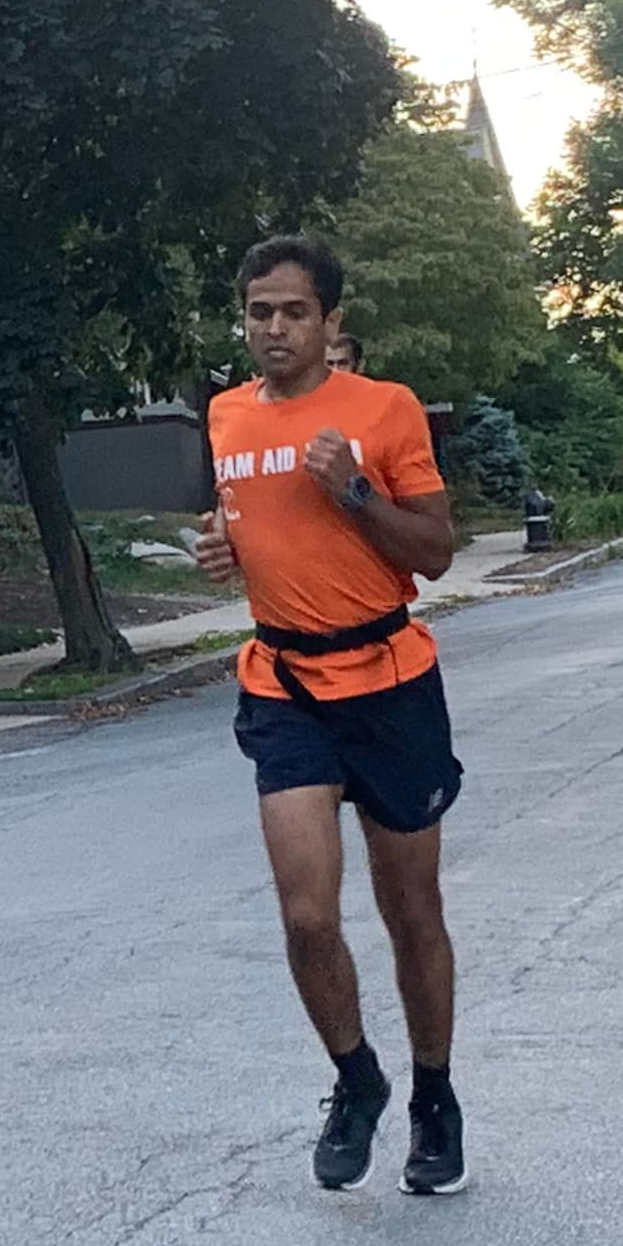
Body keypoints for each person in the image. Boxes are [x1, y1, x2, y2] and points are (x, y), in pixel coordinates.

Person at [194, 235, 469, 1196]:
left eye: (293, 312)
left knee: (409, 911)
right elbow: (251, 525)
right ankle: (357, 1081)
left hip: (389, 680)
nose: (274, 328)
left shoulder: (383, 410)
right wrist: (225, 553)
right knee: (309, 914)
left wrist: (351, 487)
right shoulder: (224, 415)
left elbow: (434, 550)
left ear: (330, 321)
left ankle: (434, 1097)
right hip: (284, 685)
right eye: (259, 311)